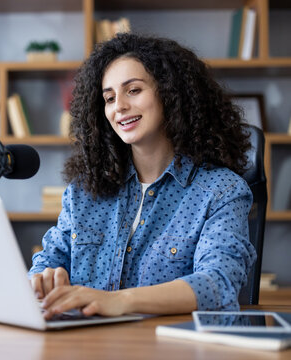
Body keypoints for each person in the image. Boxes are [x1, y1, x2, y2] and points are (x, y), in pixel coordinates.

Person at [29, 33, 256, 319]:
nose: (119, 107)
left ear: (170, 93)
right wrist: (40, 281)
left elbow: (217, 285)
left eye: (133, 90)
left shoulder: (221, 190)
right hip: (85, 344)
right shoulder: (84, 192)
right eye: (109, 98)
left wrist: (118, 301)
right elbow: (46, 262)